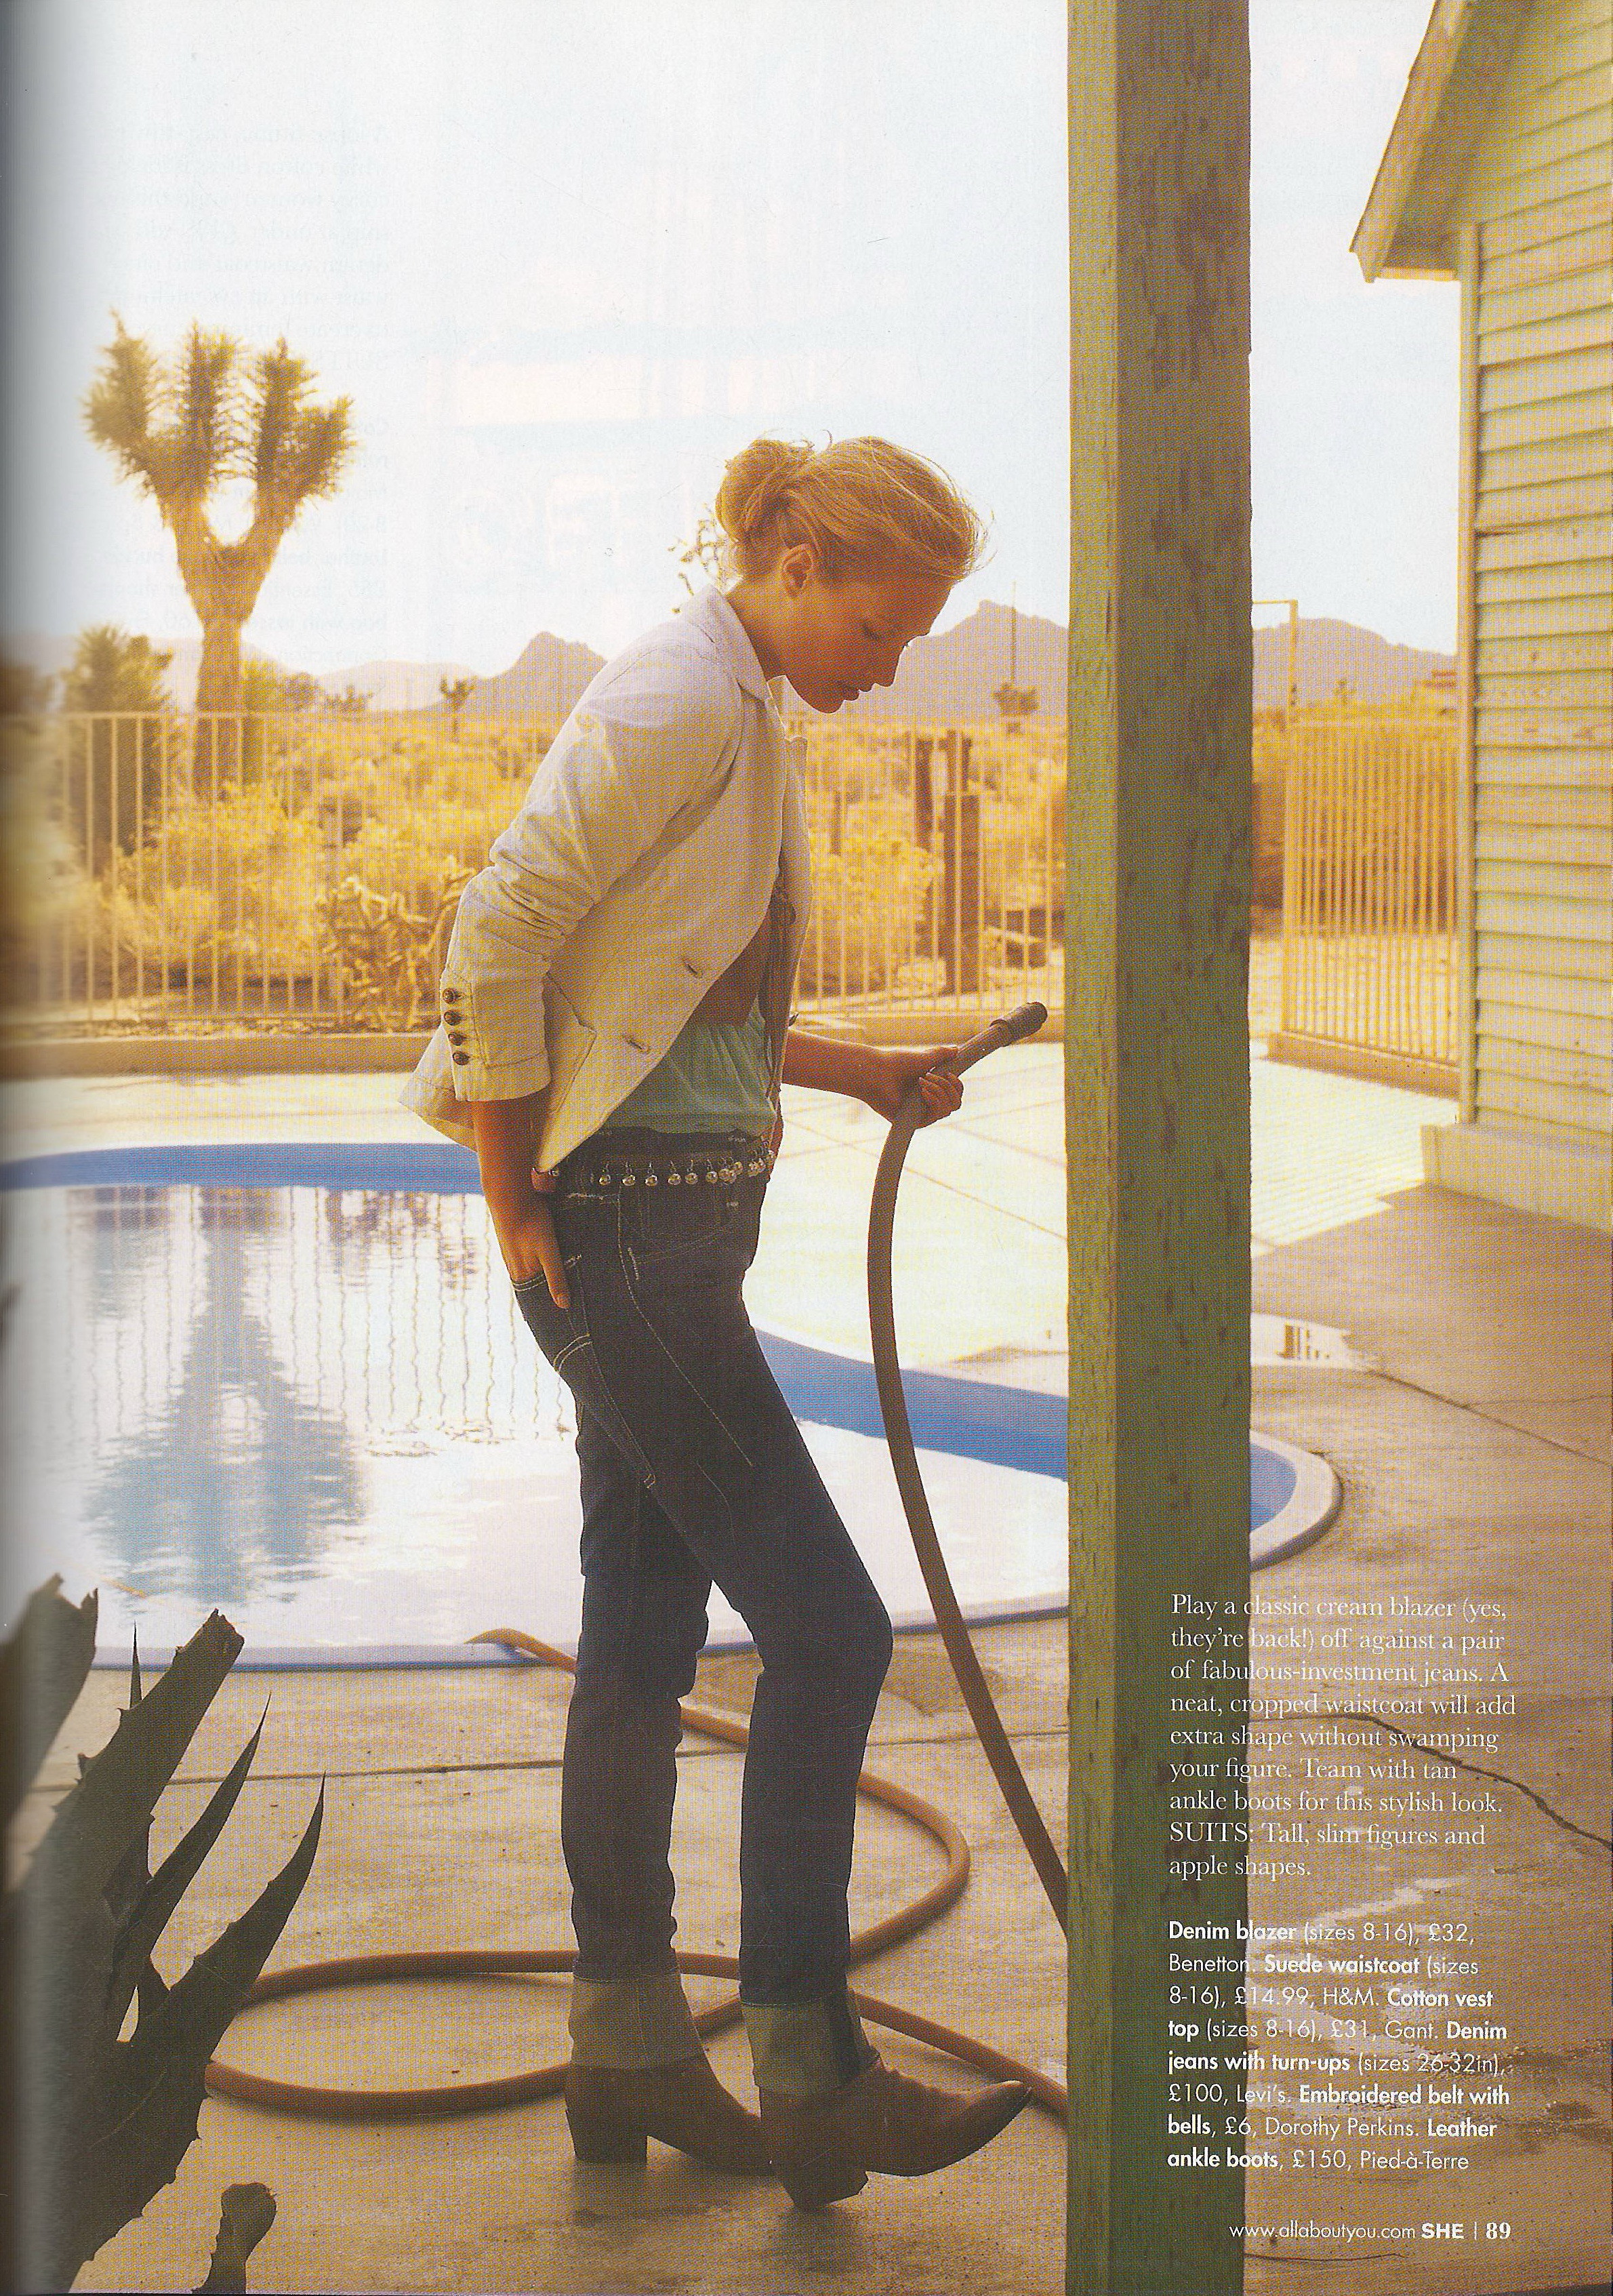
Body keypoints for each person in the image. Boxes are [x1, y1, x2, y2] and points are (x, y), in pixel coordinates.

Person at [403, 435, 1029, 2208]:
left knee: (639, 1635)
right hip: (628, 1249)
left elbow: (665, 998)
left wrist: (857, 1070)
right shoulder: (682, 693)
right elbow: (496, 931)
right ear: (795, 560)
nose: (888, 667)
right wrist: (512, 1198)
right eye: (879, 628)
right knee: (829, 1637)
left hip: (664, 1232)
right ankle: (811, 2067)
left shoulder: (740, 701)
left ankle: (626, 2042)